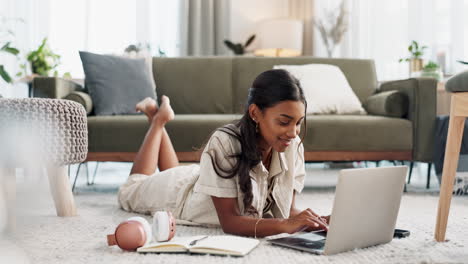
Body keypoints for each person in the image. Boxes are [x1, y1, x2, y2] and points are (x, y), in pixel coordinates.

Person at [118, 69, 329, 238]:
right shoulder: (224, 142)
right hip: (178, 197)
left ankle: (158, 116)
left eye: (298, 122)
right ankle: (157, 121)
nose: (293, 133)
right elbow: (230, 222)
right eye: (284, 122)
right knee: (131, 188)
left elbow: (286, 212)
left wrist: (317, 221)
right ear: (255, 113)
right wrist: (284, 225)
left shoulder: (292, 146)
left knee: (171, 170)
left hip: (203, 181)